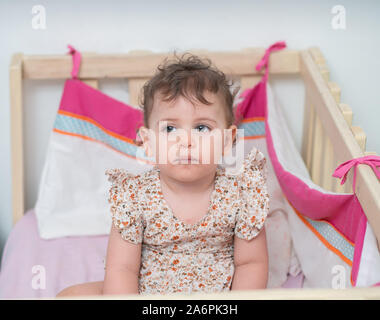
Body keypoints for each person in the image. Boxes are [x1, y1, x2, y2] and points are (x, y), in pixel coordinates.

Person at [56, 53, 269, 297]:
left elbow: (251, 263)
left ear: (227, 140)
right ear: (148, 142)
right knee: (69, 296)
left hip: (214, 299)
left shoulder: (242, 195)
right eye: (169, 128)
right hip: (146, 294)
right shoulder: (134, 196)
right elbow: (122, 269)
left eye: (202, 128)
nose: (186, 141)